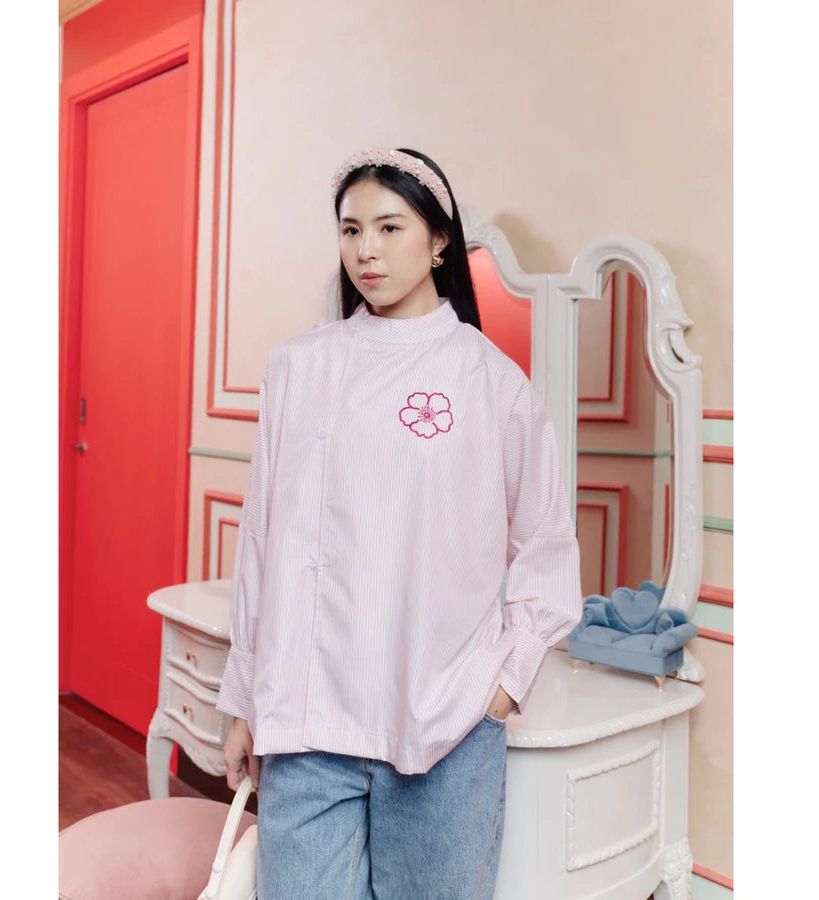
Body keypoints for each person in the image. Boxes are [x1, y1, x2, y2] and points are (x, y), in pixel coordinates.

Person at [216, 147, 582, 899]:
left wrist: (503, 687)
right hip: (308, 725)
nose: (367, 251)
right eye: (351, 230)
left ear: (439, 239)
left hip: (443, 725)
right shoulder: (299, 368)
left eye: (389, 227)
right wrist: (246, 701)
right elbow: (262, 546)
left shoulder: (491, 383)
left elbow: (547, 548)